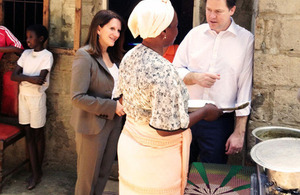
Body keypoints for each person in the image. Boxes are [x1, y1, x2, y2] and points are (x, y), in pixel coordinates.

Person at [114, 0, 223, 194]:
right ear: (164, 32)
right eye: (175, 26)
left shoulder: (130, 56)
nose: (177, 30)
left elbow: (124, 99)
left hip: (131, 145)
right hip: (155, 159)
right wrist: (206, 111)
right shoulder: (164, 71)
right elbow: (166, 129)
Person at [173, 0, 254, 164]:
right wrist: (195, 77)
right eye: (208, 10)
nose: (211, 16)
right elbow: (173, 71)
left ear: (232, 10)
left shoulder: (246, 40)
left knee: (211, 179)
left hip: (219, 123)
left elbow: (245, 88)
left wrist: (239, 132)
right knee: (178, 174)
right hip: (186, 116)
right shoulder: (194, 35)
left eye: (218, 11)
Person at [70, 10, 126, 195]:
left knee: (102, 175)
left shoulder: (113, 56)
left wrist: (122, 99)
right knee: (88, 180)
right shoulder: (84, 56)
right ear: (98, 28)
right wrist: (112, 107)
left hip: (114, 123)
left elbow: (114, 89)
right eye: (112, 28)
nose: (116, 34)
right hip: (92, 126)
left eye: (118, 30)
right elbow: (77, 97)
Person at [11, 24, 53, 190]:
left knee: (38, 135)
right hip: (24, 97)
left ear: (41, 39)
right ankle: (34, 171)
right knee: (28, 134)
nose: (27, 40)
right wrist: (30, 78)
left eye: (30, 37)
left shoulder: (47, 56)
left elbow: (41, 80)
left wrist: (24, 77)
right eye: (27, 37)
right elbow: (14, 76)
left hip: (37, 99)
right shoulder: (26, 54)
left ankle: (37, 173)